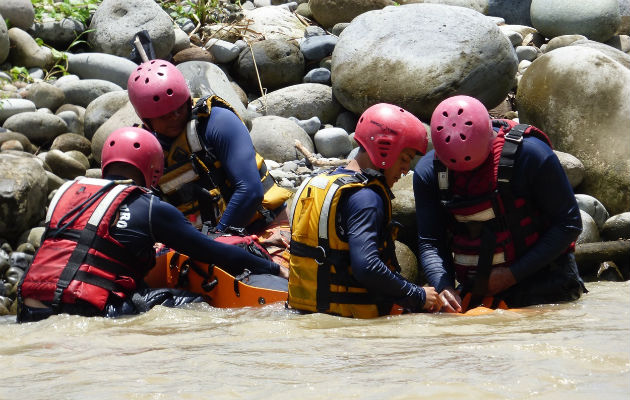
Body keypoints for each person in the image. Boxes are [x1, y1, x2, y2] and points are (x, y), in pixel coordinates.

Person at [17, 127, 287, 323]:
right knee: (199, 307)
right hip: (88, 309)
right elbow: (211, 251)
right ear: (154, 169)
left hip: (30, 309)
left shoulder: (67, 193)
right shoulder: (149, 207)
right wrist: (272, 267)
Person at [413, 95, 586, 313]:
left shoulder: (531, 155)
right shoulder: (429, 173)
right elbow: (430, 241)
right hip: (478, 287)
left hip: (545, 279)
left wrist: (512, 274)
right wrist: (443, 285)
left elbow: (569, 224)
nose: (467, 173)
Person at [288, 103, 442, 318]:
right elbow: (367, 267)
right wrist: (417, 294)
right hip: (348, 322)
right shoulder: (366, 197)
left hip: (304, 312)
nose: (406, 170)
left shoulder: (322, 183)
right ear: (384, 148)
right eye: (405, 158)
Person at [126, 59, 292, 237]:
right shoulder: (141, 148)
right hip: (202, 241)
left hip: (263, 226)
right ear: (147, 120)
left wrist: (215, 243)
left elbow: (250, 191)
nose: (174, 117)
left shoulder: (218, 122)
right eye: (164, 116)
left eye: (179, 109)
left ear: (187, 100)